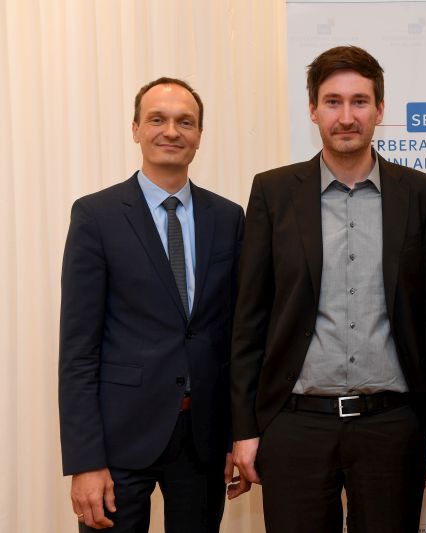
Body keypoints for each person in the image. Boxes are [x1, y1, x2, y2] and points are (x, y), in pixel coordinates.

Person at [229, 45, 426, 533]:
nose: (346, 116)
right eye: (332, 102)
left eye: (359, 102)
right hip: (294, 423)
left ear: (380, 110)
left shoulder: (420, 194)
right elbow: (249, 318)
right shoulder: (272, 192)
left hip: (392, 424)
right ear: (312, 109)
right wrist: (244, 429)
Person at [59, 77, 248, 532]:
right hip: (119, 440)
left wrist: (235, 437)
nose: (172, 131)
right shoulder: (96, 216)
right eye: (157, 119)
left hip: (202, 439)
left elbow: (236, 339)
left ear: (200, 135)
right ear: (135, 129)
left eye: (186, 122)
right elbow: (78, 350)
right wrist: (85, 461)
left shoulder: (228, 218)